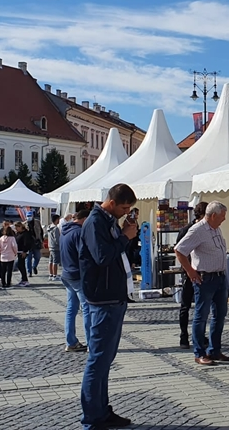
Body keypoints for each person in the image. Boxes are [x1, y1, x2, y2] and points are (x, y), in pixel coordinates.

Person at [79, 184, 138, 430]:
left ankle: (102, 411)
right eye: (124, 207)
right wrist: (125, 236)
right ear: (111, 202)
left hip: (113, 296)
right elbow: (102, 256)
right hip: (102, 298)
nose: (126, 212)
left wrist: (126, 237)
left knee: (105, 359)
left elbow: (116, 254)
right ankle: (93, 416)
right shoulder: (95, 223)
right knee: (98, 360)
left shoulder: (108, 221)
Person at [175, 201, 229, 366]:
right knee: (201, 316)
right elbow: (179, 250)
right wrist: (190, 271)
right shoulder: (198, 230)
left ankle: (214, 350)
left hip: (220, 277)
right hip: (205, 278)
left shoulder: (215, 228)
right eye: (222, 216)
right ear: (213, 215)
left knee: (219, 315)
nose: (224, 219)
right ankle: (199, 352)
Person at [176, 202, 207, 349]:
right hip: (189, 272)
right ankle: (183, 336)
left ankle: (200, 335)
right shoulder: (187, 230)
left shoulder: (208, 229)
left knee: (202, 306)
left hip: (203, 272)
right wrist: (188, 270)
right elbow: (179, 251)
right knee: (185, 306)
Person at [61, 208, 91, 352]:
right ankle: (92, 343)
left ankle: (70, 341)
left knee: (71, 309)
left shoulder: (65, 231)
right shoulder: (79, 233)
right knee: (87, 309)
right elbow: (83, 255)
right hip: (77, 275)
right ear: (84, 219)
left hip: (66, 273)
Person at [14, 221, 33, 287]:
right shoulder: (18, 233)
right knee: (20, 265)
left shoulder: (25, 234)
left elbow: (27, 243)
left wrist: (25, 251)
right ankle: (23, 279)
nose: (16, 229)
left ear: (20, 227)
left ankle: (25, 280)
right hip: (18, 251)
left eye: (17, 227)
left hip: (23, 252)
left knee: (20, 265)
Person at [47, 213, 62, 281]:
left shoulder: (49, 227)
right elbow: (57, 239)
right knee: (55, 262)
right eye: (58, 219)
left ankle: (51, 274)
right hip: (55, 247)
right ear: (56, 220)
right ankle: (55, 275)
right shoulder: (55, 228)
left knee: (51, 261)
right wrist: (60, 245)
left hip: (50, 246)